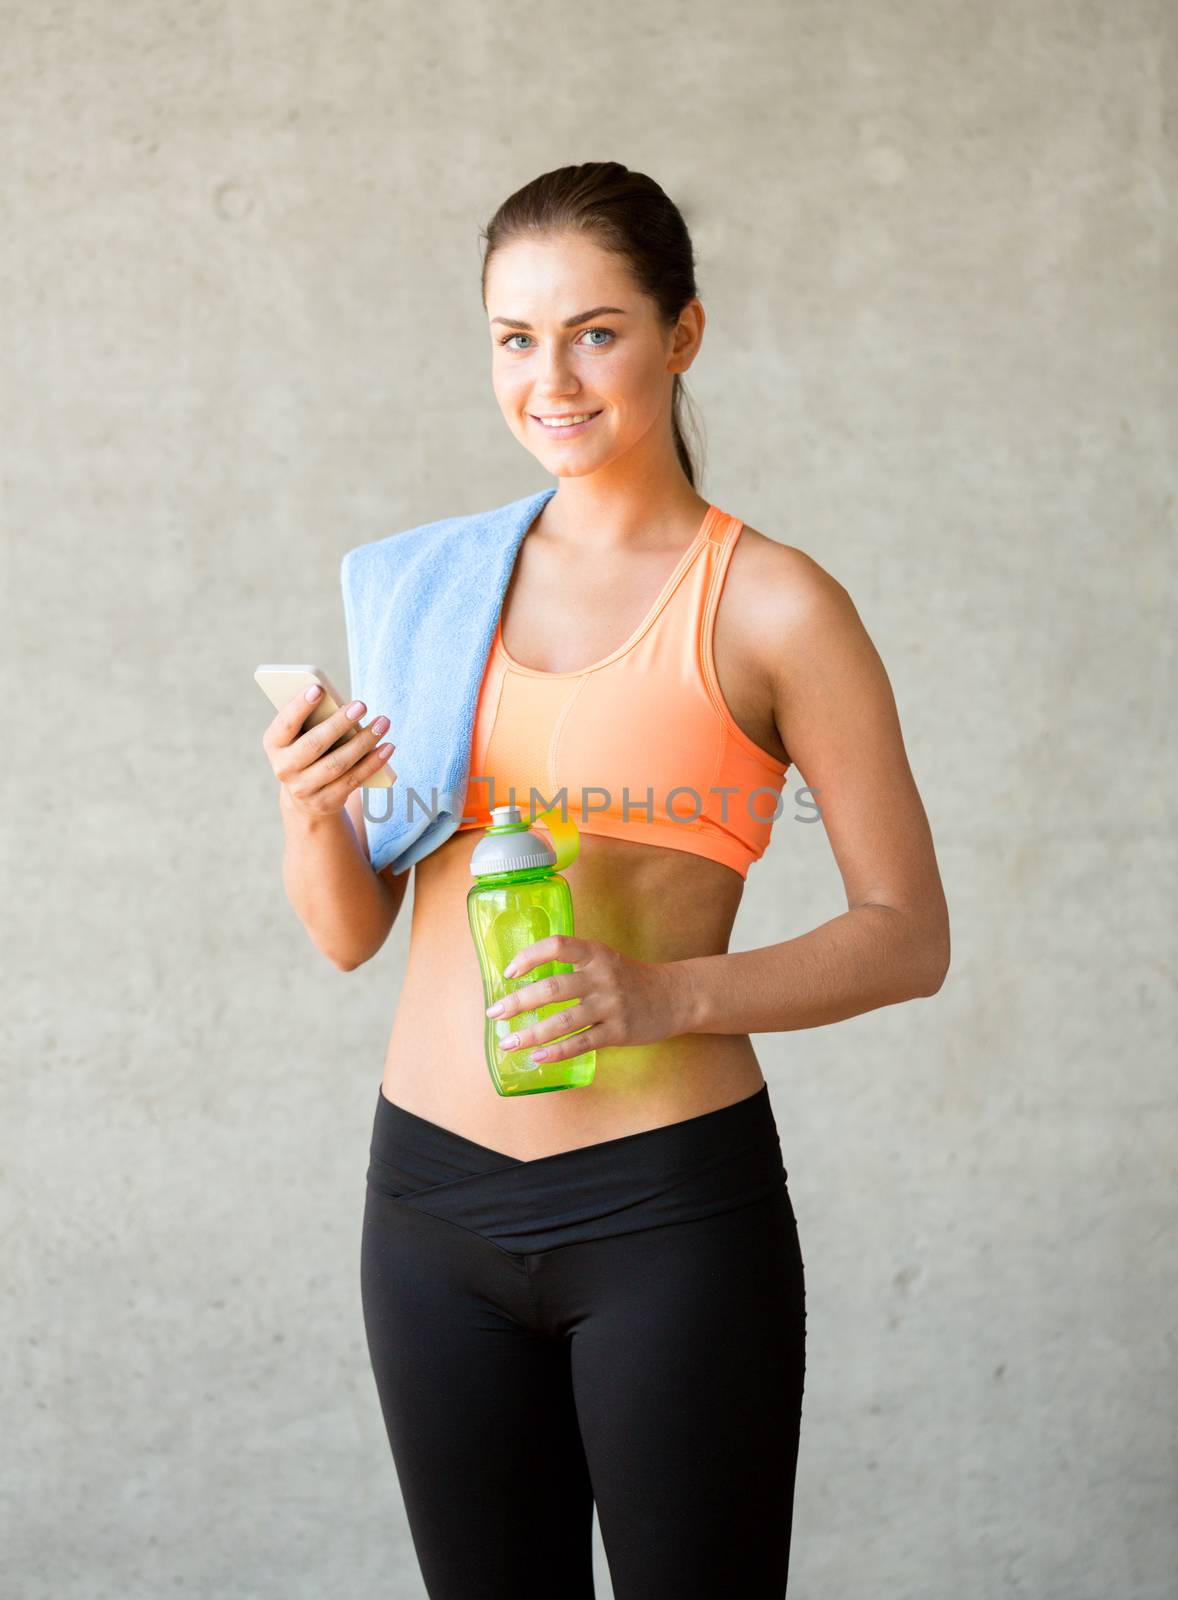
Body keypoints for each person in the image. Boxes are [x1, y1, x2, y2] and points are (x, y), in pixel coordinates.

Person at [262, 161, 950, 1599]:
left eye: (595, 331)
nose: (550, 379)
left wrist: (659, 994)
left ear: (680, 334)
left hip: (665, 1220)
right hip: (427, 1213)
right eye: (515, 339)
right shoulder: (432, 589)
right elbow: (347, 939)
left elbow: (906, 934)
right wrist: (309, 810)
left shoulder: (770, 603)